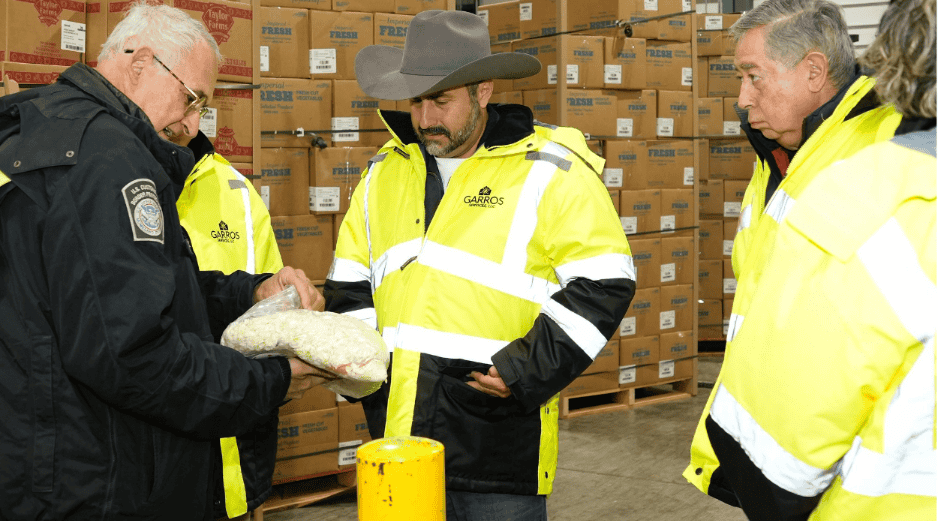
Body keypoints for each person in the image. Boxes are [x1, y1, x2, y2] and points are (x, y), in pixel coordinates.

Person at [0, 2, 329, 519]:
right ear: (139, 64)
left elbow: (127, 291)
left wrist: (249, 293)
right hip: (98, 484)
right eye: (191, 98)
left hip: (40, 467)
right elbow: (136, 356)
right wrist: (272, 380)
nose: (193, 124)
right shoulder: (108, 156)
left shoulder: (36, 127)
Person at [324, 10, 636, 520]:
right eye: (416, 101)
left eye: (441, 101)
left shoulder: (550, 169)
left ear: (483, 92)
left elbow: (605, 281)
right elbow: (350, 280)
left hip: (497, 446)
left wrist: (525, 370)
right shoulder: (384, 172)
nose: (425, 118)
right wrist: (362, 370)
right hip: (397, 438)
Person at [684, 0, 936, 518]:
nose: (742, 99)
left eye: (754, 77)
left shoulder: (881, 156)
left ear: (814, 72)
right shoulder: (781, 156)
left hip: (841, 486)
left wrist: (763, 476)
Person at [166, 124, 287, 519]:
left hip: (237, 448)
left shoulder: (236, 192)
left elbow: (274, 327)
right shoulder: (114, 182)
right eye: (187, 98)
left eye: (200, 104)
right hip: (157, 457)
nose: (189, 123)